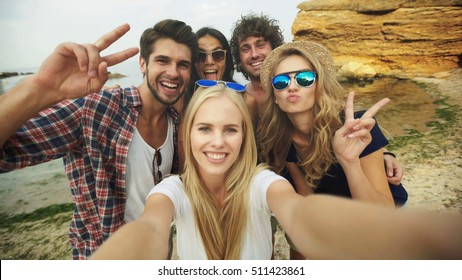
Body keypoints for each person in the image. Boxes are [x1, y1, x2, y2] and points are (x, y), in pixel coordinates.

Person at [90, 82, 462, 260]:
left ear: (245, 136)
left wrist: (420, 238)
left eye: (230, 129)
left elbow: (300, 212)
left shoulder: (262, 181)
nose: (217, 142)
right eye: (205, 128)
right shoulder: (172, 189)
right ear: (186, 135)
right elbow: (149, 229)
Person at [0, 20, 198, 259]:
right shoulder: (97, 108)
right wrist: (40, 88)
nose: (173, 72)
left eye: (183, 64)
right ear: (143, 63)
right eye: (163, 60)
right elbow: (6, 155)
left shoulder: (178, 124)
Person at [258, 41, 411, 259]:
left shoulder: (356, 126)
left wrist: (350, 162)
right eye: (281, 81)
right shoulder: (281, 142)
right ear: (275, 96)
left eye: (304, 78)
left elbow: (381, 215)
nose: (292, 86)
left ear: (319, 86)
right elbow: (310, 205)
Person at [230, 13, 404, 187]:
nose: (254, 54)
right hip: (282, 183)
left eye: (260, 45)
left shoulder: (311, 93)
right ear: (239, 58)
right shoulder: (240, 100)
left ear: (273, 48)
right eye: (245, 48)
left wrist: (384, 153)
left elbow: (344, 123)